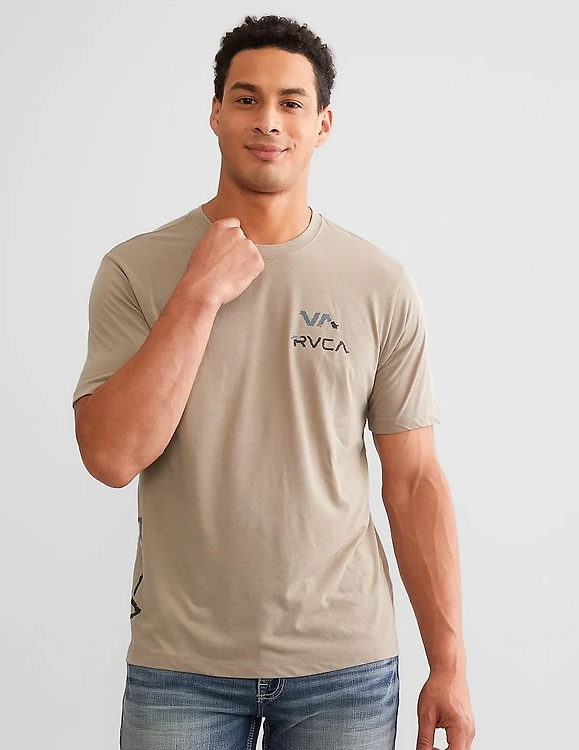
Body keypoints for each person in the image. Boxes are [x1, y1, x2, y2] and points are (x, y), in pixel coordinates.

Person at [72, 14, 475, 750]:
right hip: (181, 667)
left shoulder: (378, 282)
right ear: (215, 114)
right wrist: (197, 294)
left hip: (344, 668)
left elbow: (414, 481)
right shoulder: (136, 269)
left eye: (292, 102)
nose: (268, 120)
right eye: (247, 98)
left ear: (323, 124)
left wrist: (449, 663)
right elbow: (111, 457)